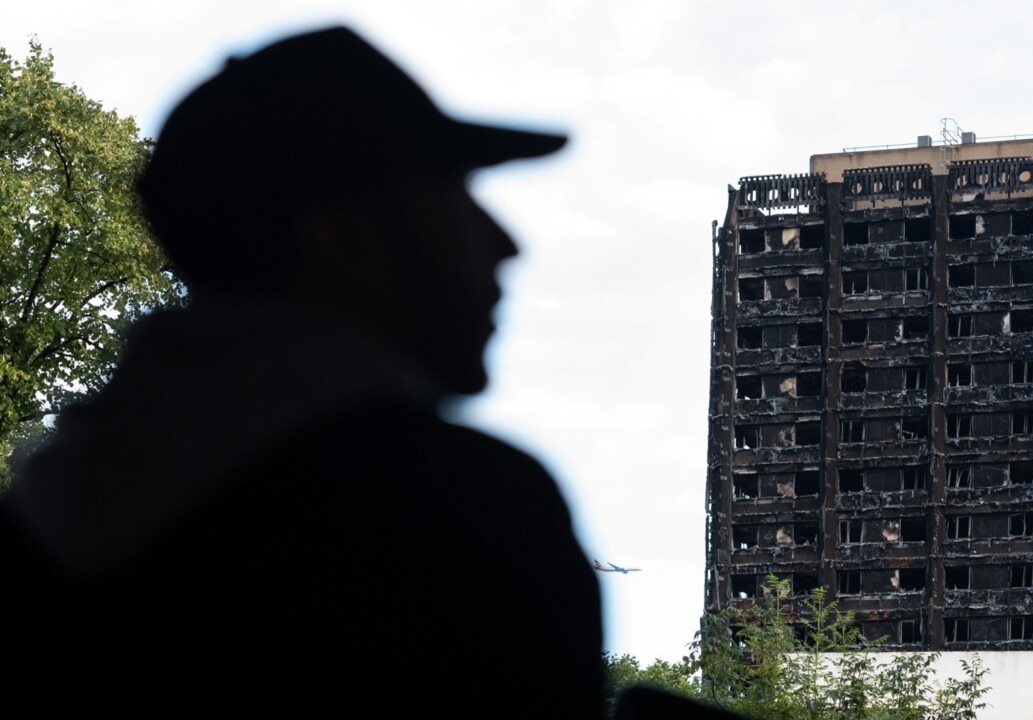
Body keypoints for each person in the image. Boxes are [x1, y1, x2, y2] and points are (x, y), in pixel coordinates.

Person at [0, 26, 602, 715]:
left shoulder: (38, 537)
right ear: (340, 241)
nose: (504, 243)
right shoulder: (472, 513)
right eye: (451, 196)